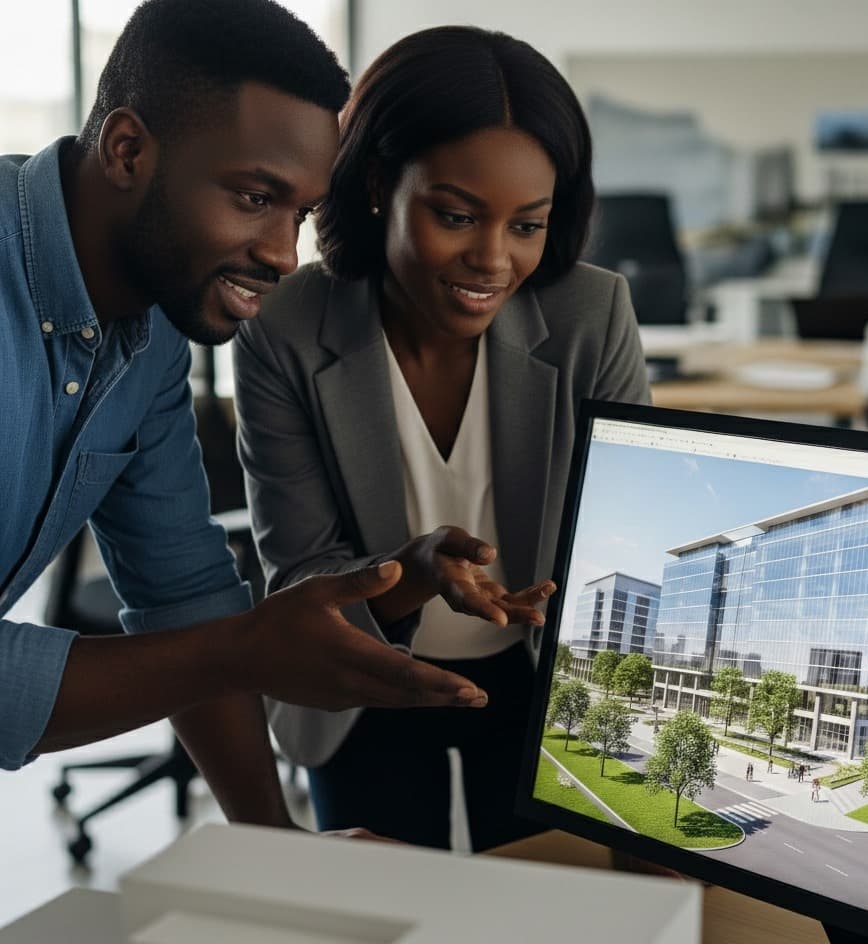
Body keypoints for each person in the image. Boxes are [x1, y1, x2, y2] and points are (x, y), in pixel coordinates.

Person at [0, 0, 493, 832]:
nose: (282, 253)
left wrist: (276, 848)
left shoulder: (150, 335)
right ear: (128, 150)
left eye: (298, 212)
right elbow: (213, 642)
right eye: (255, 197)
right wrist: (248, 647)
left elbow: (182, 590)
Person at [233, 25, 650, 851]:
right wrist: (414, 573)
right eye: (457, 216)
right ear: (382, 181)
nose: (492, 260)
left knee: (549, 916)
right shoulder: (285, 326)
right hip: (363, 685)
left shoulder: (591, 316)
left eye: (527, 225)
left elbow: (628, 534)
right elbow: (301, 571)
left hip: (538, 689)